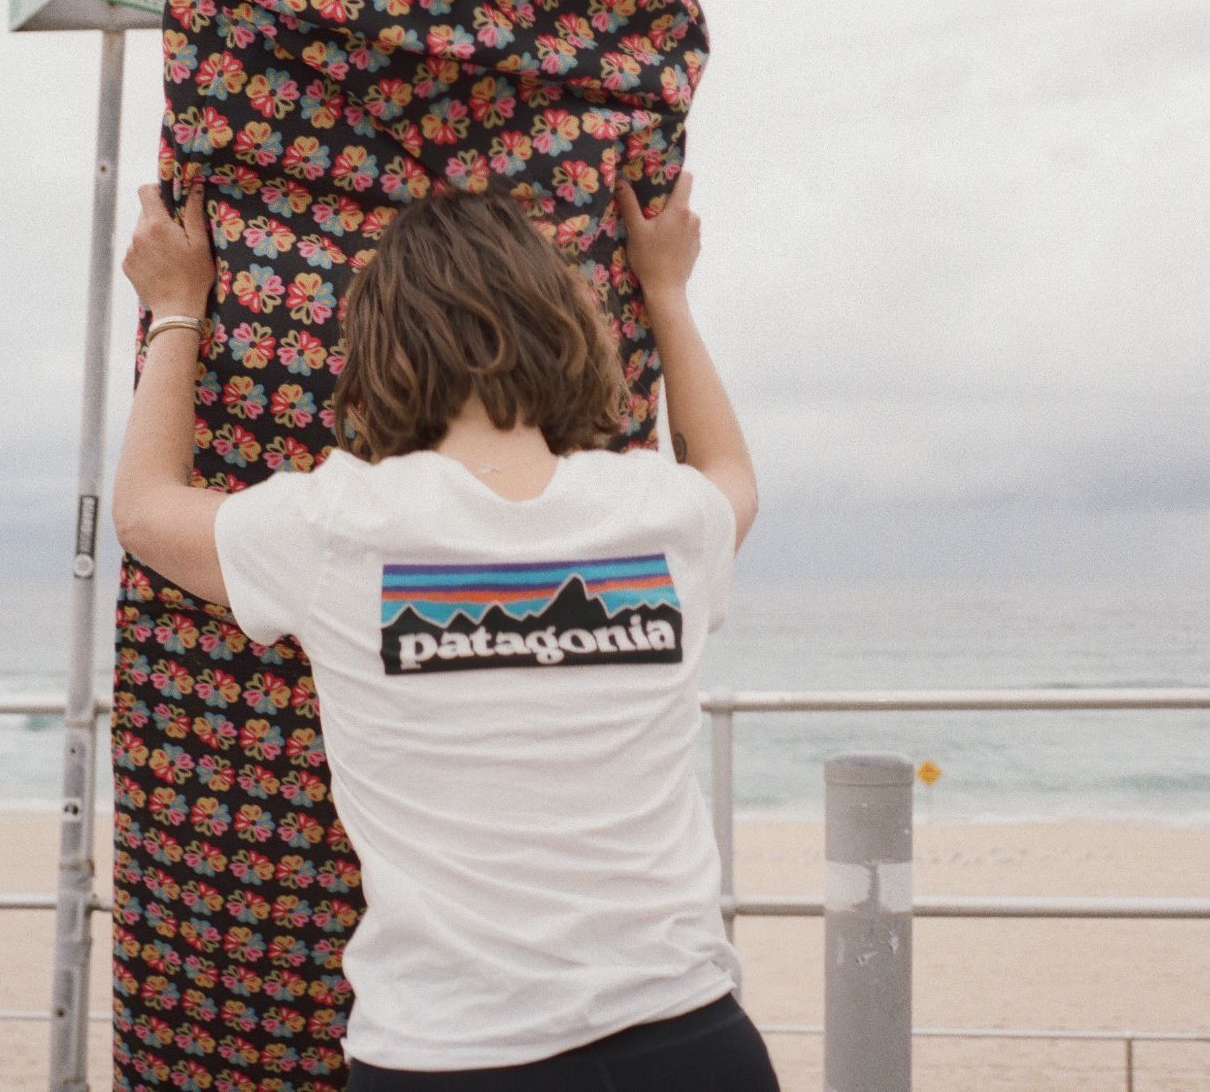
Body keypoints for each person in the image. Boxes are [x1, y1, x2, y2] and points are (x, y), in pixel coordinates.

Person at [112, 169, 779, 1091]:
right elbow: (731, 471)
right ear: (567, 330)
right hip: (689, 1040)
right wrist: (666, 288)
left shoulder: (335, 527)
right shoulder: (664, 514)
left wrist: (176, 308)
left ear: (376, 349)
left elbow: (145, 512)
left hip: (453, 1055)